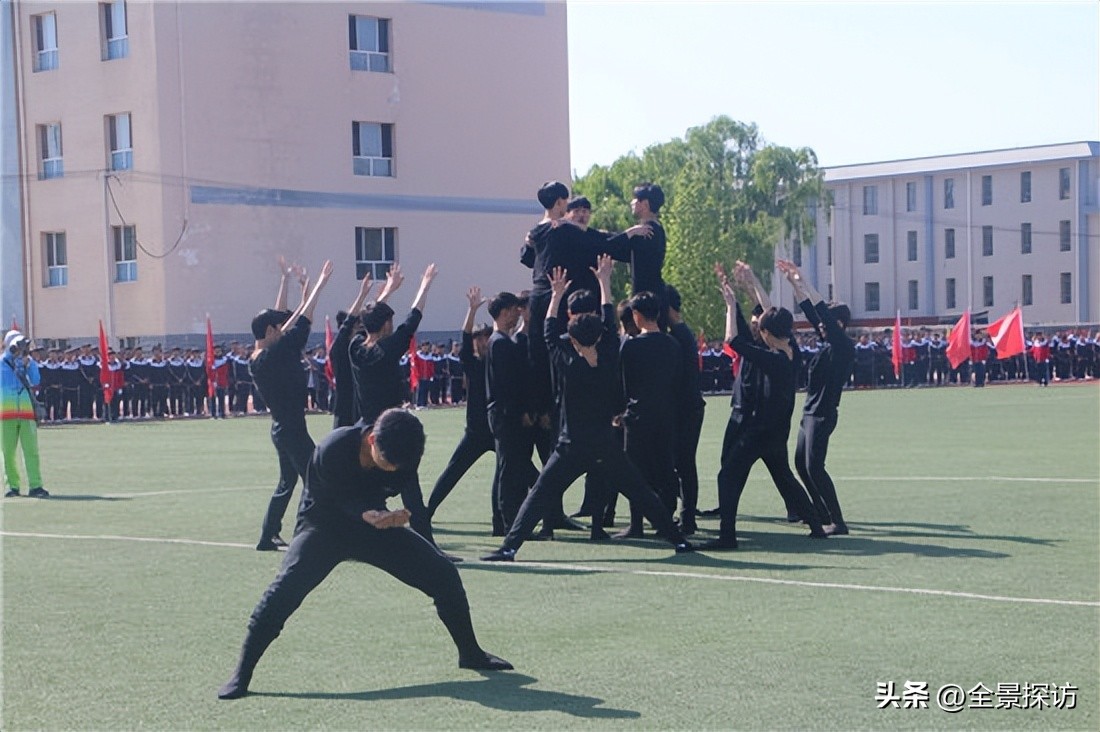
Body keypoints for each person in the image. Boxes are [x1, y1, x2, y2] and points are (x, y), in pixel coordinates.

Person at [217, 409, 512, 700]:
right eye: (387, 462)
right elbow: (330, 497)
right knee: (284, 591)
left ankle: (470, 653)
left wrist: (397, 517)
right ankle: (242, 672)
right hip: (323, 526)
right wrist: (366, 512)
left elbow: (403, 492)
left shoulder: (405, 452)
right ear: (372, 439)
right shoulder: (332, 448)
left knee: (443, 573)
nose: (393, 469)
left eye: (398, 465)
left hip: (373, 526)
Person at [482, 258, 694, 561]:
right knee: (641, 493)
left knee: (539, 496)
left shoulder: (567, 363)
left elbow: (548, 330)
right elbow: (607, 320)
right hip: (605, 444)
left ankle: (509, 547)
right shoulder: (609, 356)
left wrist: (556, 295)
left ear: (574, 339)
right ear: (599, 335)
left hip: (571, 446)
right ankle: (679, 541)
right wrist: (604, 283)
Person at [701, 263, 827, 550]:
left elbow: (732, 340)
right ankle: (816, 525)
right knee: (784, 478)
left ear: (767, 332)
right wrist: (753, 281)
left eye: (761, 328)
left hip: (760, 431)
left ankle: (727, 537)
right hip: (777, 431)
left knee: (727, 475)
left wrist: (731, 305)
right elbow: (770, 311)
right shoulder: (791, 351)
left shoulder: (773, 360)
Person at [250, 258, 333, 551]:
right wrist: (319, 286)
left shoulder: (260, 354)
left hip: (282, 428)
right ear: (270, 332)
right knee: (315, 478)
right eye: (278, 327)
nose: (282, 327)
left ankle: (267, 535)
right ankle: (306, 534)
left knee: (288, 482)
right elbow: (302, 320)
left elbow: (285, 320)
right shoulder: (276, 354)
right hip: (292, 430)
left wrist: (287, 282)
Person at [778, 259, 854, 535]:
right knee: (802, 464)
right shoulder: (828, 343)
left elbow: (819, 311)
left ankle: (838, 521)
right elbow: (813, 313)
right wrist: (794, 284)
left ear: (839, 324)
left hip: (822, 414)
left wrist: (805, 281)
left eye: (827, 324)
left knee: (815, 467)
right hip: (809, 412)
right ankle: (821, 513)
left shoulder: (843, 347)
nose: (820, 327)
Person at [615, 290, 681, 539]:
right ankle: (665, 520)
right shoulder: (672, 344)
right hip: (666, 414)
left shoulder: (631, 347)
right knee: (665, 468)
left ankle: (637, 524)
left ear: (637, 315)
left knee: (636, 472)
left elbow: (625, 384)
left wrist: (621, 411)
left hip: (638, 415)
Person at [426, 287, 495, 519]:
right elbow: (465, 337)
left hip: (498, 430)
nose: (482, 342)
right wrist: (472, 310)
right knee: (452, 472)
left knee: (526, 474)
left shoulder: (500, 358)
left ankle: (544, 516)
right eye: (478, 339)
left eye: (485, 337)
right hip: (476, 431)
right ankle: (427, 512)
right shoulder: (471, 362)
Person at [350, 263, 437, 427]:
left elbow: (369, 318)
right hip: (389, 424)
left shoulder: (354, 348)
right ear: (386, 325)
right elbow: (413, 318)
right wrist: (424, 286)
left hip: (364, 423)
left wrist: (388, 291)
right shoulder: (388, 349)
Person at [665, 284, 706, 536]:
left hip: (685, 407)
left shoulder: (678, 335)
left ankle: (687, 517)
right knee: (683, 464)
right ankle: (685, 515)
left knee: (684, 464)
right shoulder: (682, 332)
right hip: (688, 405)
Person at [2, 331, 47, 498]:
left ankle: (36, 485)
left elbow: (36, 381)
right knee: (8, 452)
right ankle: (12, 486)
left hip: (26, 412)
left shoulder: (28, 362)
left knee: (31, 451)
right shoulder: (1, 363)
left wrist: (29, 364)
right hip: (5, 412)